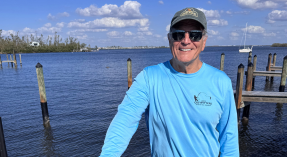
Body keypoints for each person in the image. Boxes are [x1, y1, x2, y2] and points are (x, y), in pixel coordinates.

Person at [100, 7, 239, 157]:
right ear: (169, 39)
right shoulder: (149, 78)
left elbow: (229, 140)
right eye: (179, 34)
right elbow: (125, 120)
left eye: (195, 35)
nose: (186, 41)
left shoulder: (221, 81)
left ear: (203, 42)